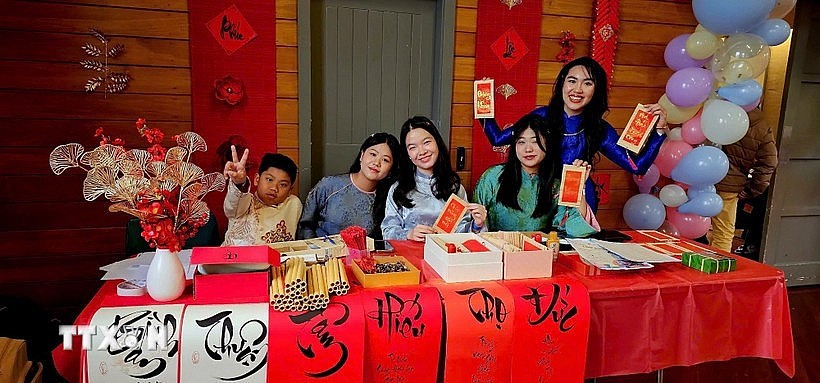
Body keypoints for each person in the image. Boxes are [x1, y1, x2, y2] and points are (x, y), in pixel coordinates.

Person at [480, 56, 668, 210]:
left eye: (587, 83)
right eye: (572, 81)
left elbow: (636, 166)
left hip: (579, 201)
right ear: (562, 83)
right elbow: (497, 139)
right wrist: (483, 102)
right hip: (542, 195)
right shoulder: (541, 116)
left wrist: (659, 131)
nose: (577, 90)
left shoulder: (599, 128)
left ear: (596, 90)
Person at [475, 113, 600, 237]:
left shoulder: (556, 183)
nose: (528, 149)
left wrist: (579, 187)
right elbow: (475, 223)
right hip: (496, 249)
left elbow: (573, 230)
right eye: (521, 142)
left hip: (538, 250)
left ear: (547, 144)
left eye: (535, 142)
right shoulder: (492, 176)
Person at [382, 116, 488, 241]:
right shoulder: (398, 188)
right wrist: (408, 234)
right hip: (410, 257)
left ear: (437, 142)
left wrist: (477, 224)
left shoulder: (454, 186)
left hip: (445, 257)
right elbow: (388, 230)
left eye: (426, 142)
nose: (421, 151)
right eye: (412, 147)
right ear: (407, 154)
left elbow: (461, 232)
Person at [297, 132, 401, 239]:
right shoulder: (329, 185)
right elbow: (305, 225)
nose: (376, 163)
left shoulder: (389, 200)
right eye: (373, 154)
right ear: (362, 155)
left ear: (390, 169)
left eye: (385, 160)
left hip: (362, 255)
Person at [709, 108, 777, 254]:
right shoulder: (761, 125)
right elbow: (769, 162)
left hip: (700, 176)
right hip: (729, 184)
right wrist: (752, 189)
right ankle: (716, 270)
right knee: (723, 232)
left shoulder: (718, 111)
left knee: (697, 228)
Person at [222, 147, 302, 245]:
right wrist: (239, 183)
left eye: (283, 185)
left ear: (290, 190)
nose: (274, 188)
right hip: (237, 258)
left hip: (278, 258)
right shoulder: (244, 203)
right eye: (269, 179)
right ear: (257, 179)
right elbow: (232, 206)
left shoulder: (293, 204)